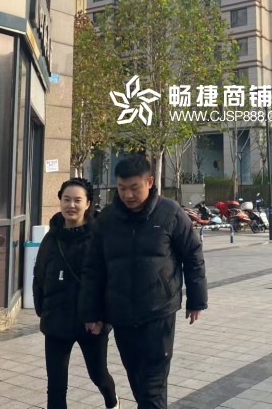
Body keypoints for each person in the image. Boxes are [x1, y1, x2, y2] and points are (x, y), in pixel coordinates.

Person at [81, 154, 208, 409]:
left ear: (149, 182)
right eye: (122, 188)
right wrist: (92, 312)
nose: (128, 195)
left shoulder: (170, 213)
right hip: (121, 313)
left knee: (153, 384)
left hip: (158, 311)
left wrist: (197, 299)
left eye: (134, 188)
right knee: (137, 378)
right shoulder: (106, 220)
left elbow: (193, 256)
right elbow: (93, 268)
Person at [33, 178, 120, 409]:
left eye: (77, 200)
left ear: (88, 203)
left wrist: (103, 318)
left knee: (98, 374)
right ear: (60, 202)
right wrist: (42, 309)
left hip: (90, 323)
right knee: (56, 385)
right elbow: (39, 274)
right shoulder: (51, 238)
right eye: (66, 199)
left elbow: (109, 281)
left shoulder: (99, 238)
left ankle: (112, 402)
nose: (71, 205)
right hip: (56, 320)